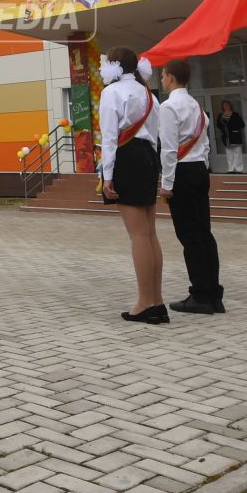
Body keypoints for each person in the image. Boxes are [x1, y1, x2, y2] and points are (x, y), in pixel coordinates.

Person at [98, 47, 166, 324]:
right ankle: (157, 301)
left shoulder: (112, 93)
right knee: (149, 233)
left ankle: (144, 303)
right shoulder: (148, 93)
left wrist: (107, 175)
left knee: (138, 235)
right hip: (148, 157)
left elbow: (110, 137)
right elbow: (156, 135)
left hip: (126, 157)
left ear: (114, 66)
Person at [157, 59, 222, 315]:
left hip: (182, 172)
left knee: (189, 235)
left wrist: (167, 183)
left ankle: (200, 295)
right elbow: (204, 144)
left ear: (171, 77)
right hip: (199, 169)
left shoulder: (169, 106)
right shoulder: (196, 105)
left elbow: (169, 149)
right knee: (204, 232)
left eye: (162, 75)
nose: (162, 80)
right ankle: (214, 292)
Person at [214, 100, 247, 175]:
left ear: (230, 105)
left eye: (227, 105)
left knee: (237, 153)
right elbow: (218, 125)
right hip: (226, 137)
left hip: (235, 136)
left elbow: (242, 124)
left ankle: (239, 169)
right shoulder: (220, 115)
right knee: (229, 154)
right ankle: (231, 168)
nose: (226, 106)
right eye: (224, 105)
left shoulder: (235, 114)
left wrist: (233, 127)